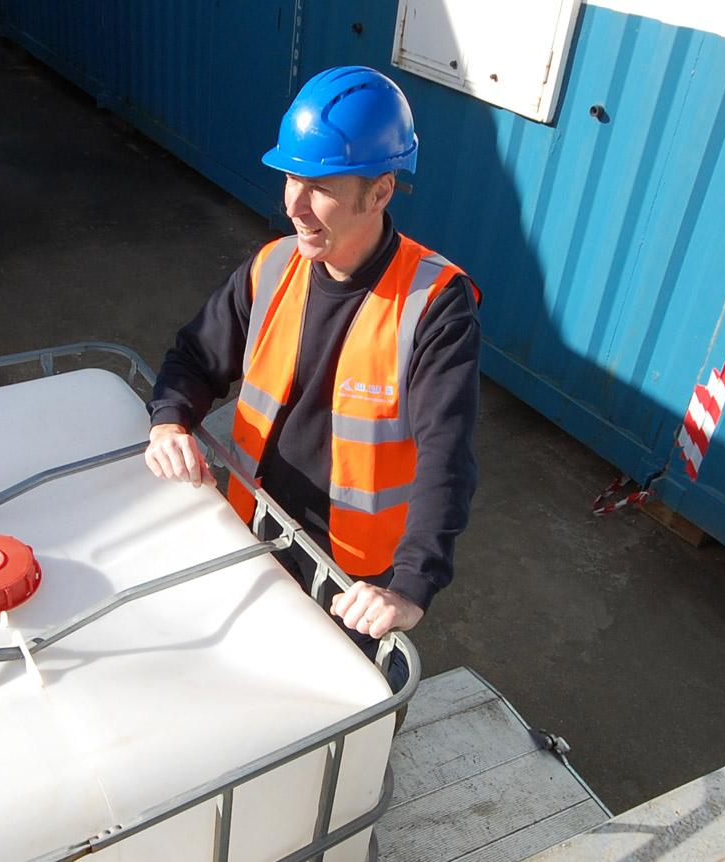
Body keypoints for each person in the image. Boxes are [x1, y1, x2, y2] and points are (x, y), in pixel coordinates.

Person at [143, 66, 481, 677]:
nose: (293, 205)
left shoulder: (434, 306)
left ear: (380, 193)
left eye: (320, 184)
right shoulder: (272, 268)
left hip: (355, 580)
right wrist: (170, 422)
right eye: (292, 176)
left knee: (342, 716)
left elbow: (446, 458)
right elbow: (195, 355)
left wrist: (409, 588)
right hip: (254, 529)